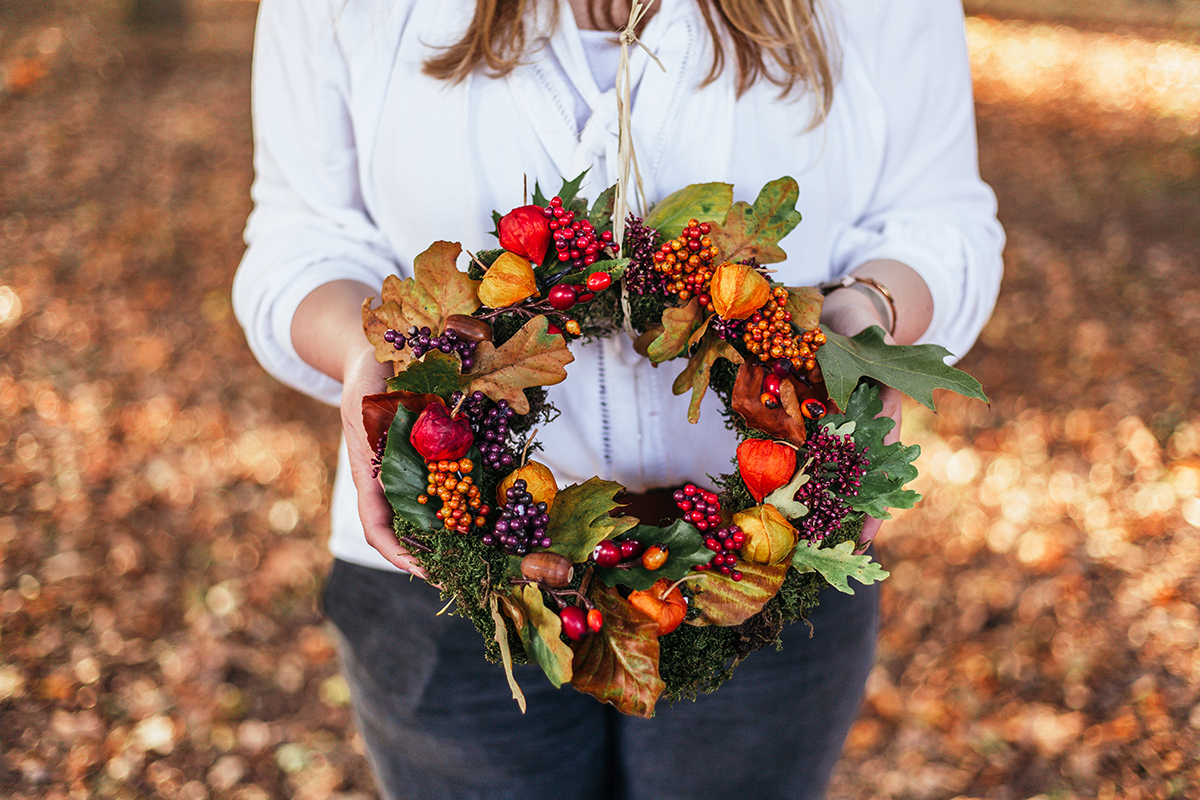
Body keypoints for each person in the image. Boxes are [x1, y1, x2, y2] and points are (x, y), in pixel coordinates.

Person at [233, 0, 1004, 797]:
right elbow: (301, 240)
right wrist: (372, 353)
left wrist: (862, 322)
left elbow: (937, 217)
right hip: (441, 572)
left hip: (762, 567)